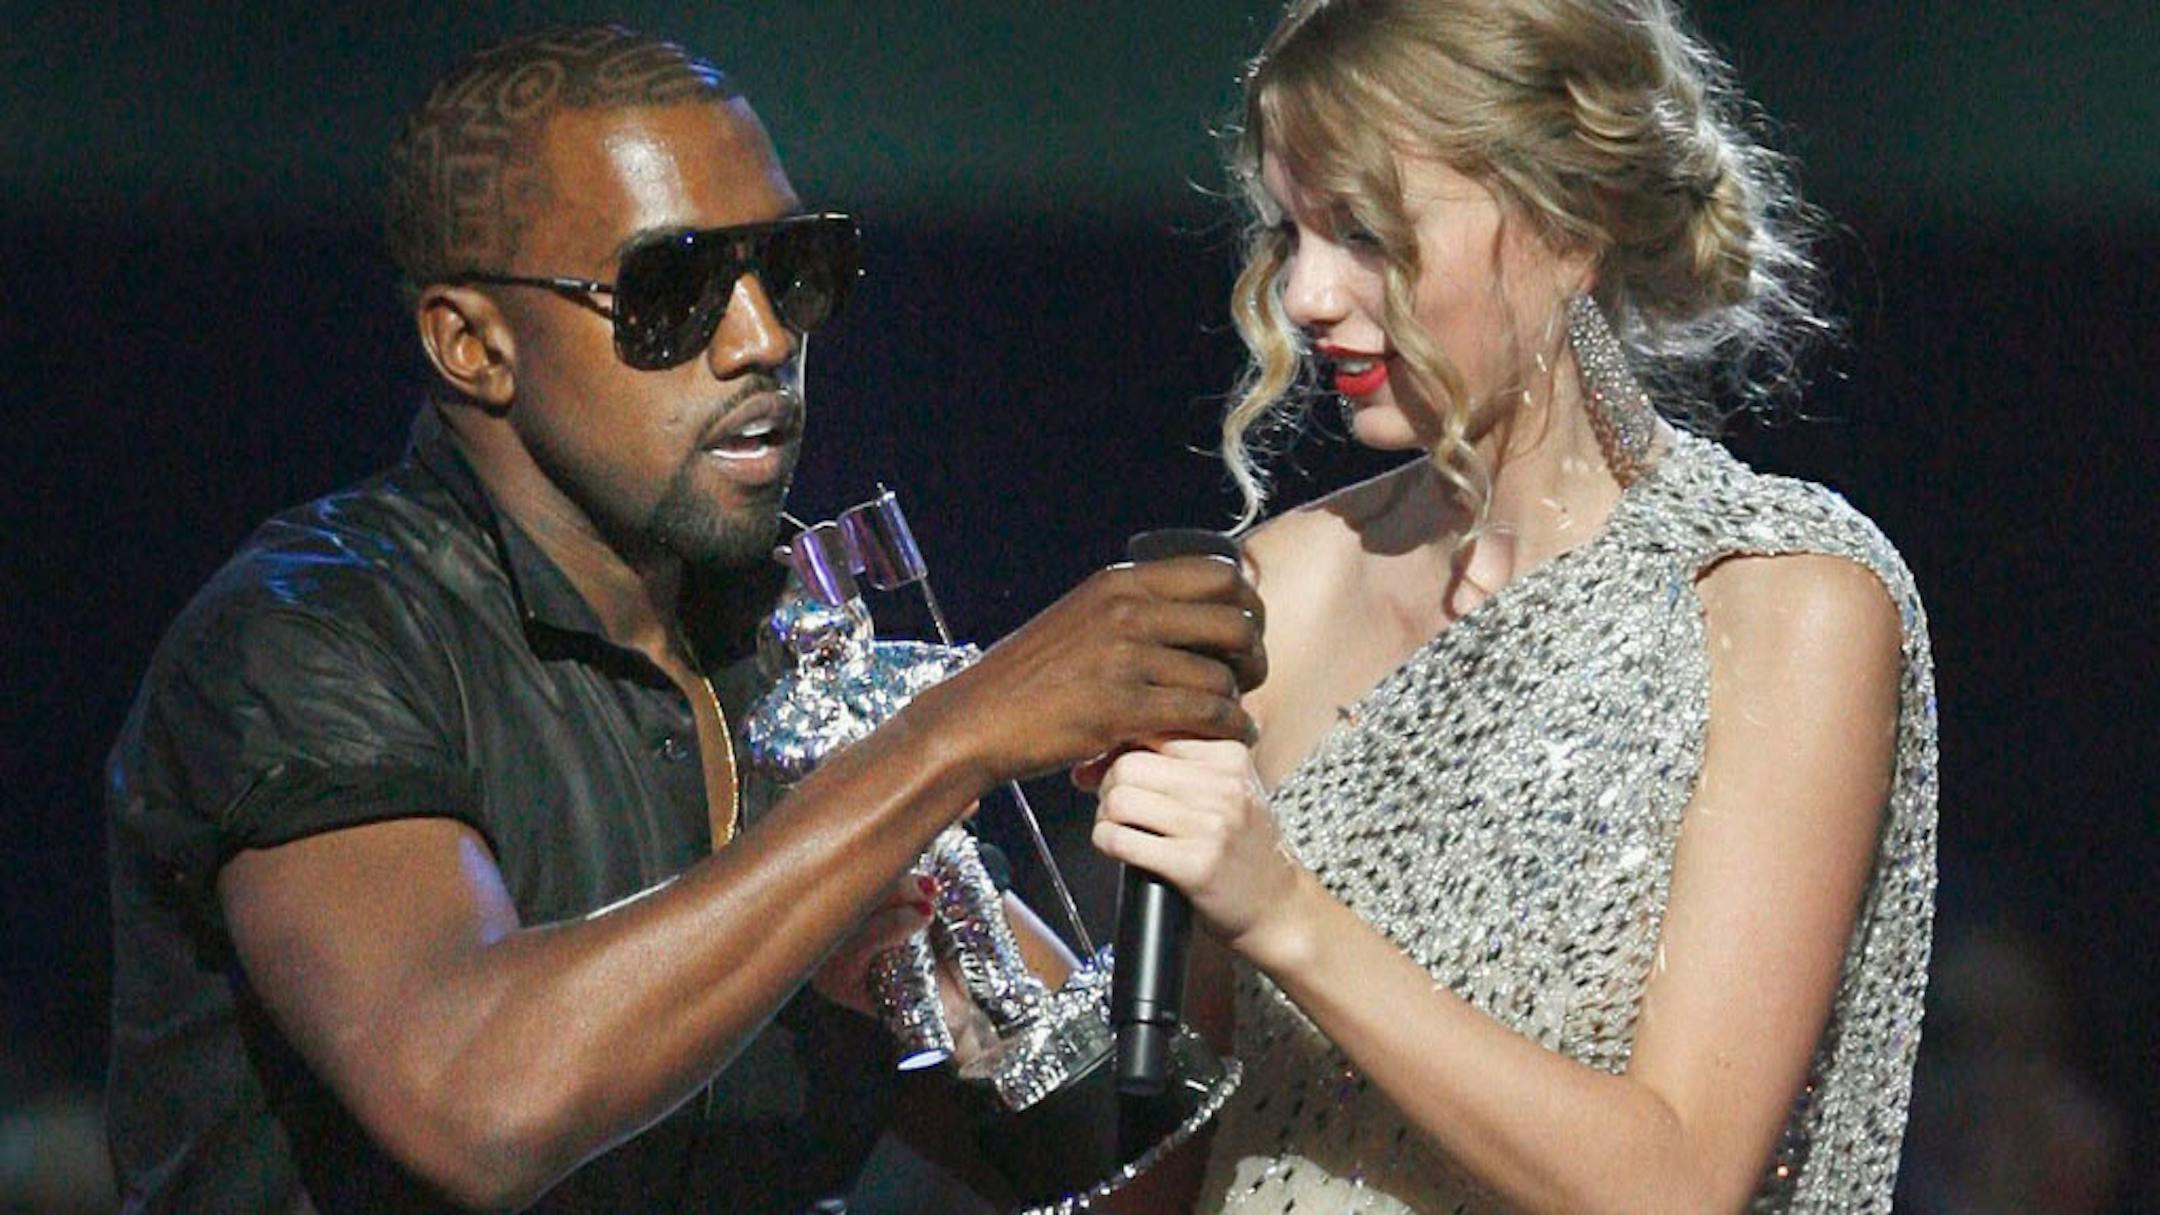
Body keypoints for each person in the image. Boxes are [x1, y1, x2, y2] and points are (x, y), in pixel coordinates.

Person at [104, 24, 1265, 1214]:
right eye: (671, 289)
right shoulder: (312, 635)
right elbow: (476, 1105)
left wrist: (1201, 911)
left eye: (794, 268)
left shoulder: (790, 650)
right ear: (471, 343)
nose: (764, 339)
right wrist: (952, 739)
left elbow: (1139, 1181)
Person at [1086, 1, 1937, 1212]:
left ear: (1569, 224)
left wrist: (1281, 910)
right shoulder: (1285, 584)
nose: (1308, 295)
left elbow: (1679, 1185)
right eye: (1291, 232)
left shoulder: (1777, 600)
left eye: (1366, 232)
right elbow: (1178, 1131)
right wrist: (952, 971)